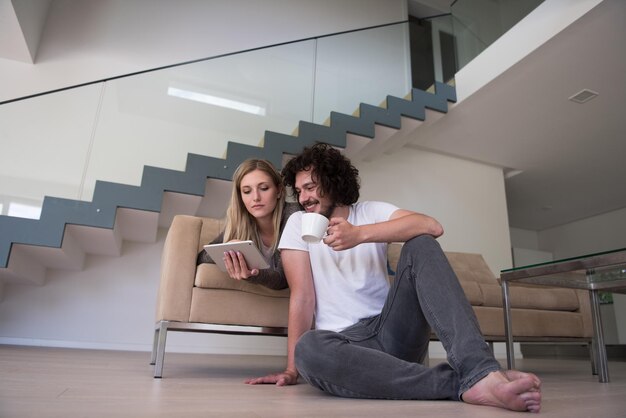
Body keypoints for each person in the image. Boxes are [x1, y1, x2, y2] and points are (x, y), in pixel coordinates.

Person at [246, 143, 541, 413]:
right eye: (298, 191)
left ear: (333, 182)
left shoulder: (371, 212)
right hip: (344, 345)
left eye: (310, 187)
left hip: (391, 329)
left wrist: (359, 234)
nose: (304, 198)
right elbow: (303, 297)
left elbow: (432, 225)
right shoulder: (298, 224)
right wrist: (291, 369)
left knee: (421, 242)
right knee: (308, 349)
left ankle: (479, 369)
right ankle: (469, 382)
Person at [197, 158, 300, 290]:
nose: (256, 197)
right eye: (247, 191)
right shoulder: (242, 223)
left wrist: (252, 274)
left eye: (264, 188)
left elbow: (282, 280)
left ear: (279, 191)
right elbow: (202, 257)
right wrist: (227, 249)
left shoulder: (293, 215)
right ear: (240, 197)